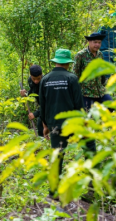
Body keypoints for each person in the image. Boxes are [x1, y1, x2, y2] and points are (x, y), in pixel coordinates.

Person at [40, 49, 93, 199]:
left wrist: (45, 126)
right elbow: (78, 103)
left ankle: (53, 192)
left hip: (55, 125)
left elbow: (42, 106)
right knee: (90, 148)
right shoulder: (72, 78)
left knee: (57, 156)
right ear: (68, 63)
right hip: (73, 123)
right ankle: (92, 189)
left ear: (55, 61)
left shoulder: (45, 79)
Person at [73, 32, 113, 110]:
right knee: (88, 115)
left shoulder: (100, 55)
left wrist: (103, 84)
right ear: (89, 42)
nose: (97, 45)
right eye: (95, 42)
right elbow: (75, 74)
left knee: (112, 107)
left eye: (99, 43)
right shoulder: (80, 55)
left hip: (100, 91)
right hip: (86, 92)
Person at [19, 65, 44, 137]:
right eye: (34, 79)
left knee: (40, 122)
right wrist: (26, 94)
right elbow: (33, 91)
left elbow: (48, 103)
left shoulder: (45, 82)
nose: (36, 81)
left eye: (38, 79)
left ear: (41, 75)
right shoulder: (30, 80)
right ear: (31, 76)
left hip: (49, 106)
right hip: (41, 105)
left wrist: (35, 114)